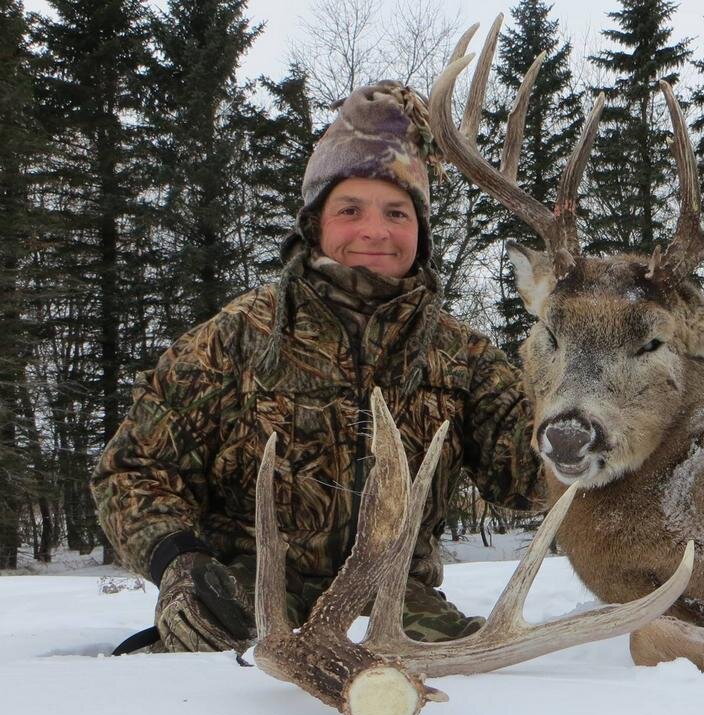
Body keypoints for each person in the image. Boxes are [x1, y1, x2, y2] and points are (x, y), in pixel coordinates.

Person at [92, 82, 544, 653]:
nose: (374, 231)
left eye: (397, 212)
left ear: (420, 231)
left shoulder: (465, 358)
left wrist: (587, 397)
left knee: (485, 687)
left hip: (397, 610)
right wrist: (180, 561)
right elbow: (131, 469)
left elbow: (527, 479)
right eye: (349, 209)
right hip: (245, 602)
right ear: (315, 223)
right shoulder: (235, 338)